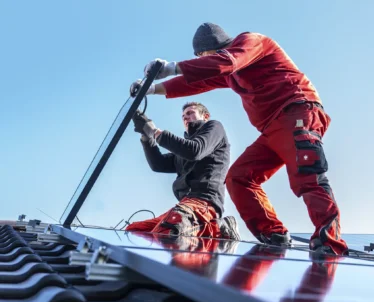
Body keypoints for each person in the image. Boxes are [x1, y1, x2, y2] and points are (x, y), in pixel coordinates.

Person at [129, 23, 348, 255]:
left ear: (210, 48)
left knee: (307, 174)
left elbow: (225, 62)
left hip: (298, 113)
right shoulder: (231, 74)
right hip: (272, 130)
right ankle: (273, 233)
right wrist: (152, 89)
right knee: (239, 178)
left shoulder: (251, 42)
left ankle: (329, 240)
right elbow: (197, 82)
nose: (201, 60)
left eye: (201, 55)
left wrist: (173, 67)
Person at [125, 101, 240, 241]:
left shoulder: (214, 127)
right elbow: (158, 164)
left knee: (168, 231)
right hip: (185, 204)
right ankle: (197, 230)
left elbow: (194, 150)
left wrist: (154, 131)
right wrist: (146, 137)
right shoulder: (182, 153)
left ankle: (220, 229)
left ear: (205, 116)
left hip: (205, 202)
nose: (186, 117)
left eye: (190, 113)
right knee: (135, 230)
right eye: (183, 116)